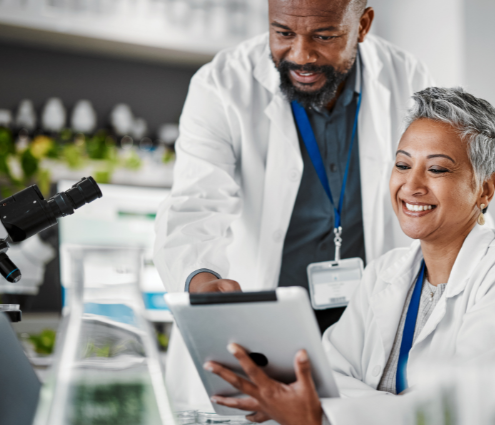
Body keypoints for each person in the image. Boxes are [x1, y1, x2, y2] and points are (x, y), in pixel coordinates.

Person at [204, 87, 495, 424]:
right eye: (403, 165)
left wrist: (326, 414)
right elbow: (328, 378)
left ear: (484, 188)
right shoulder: (385, 273)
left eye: (437, 169)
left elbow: (463, 410)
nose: (411, 185)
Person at [154, 0, 435, 411]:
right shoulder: (220, 83)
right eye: (283, 33)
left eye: (324, 36)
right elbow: (195, 205)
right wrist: (202, 281)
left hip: (365, 340)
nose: (301, 55)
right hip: (261, 335)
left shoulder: (408, 78)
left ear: (363, 24)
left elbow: (444, 195)